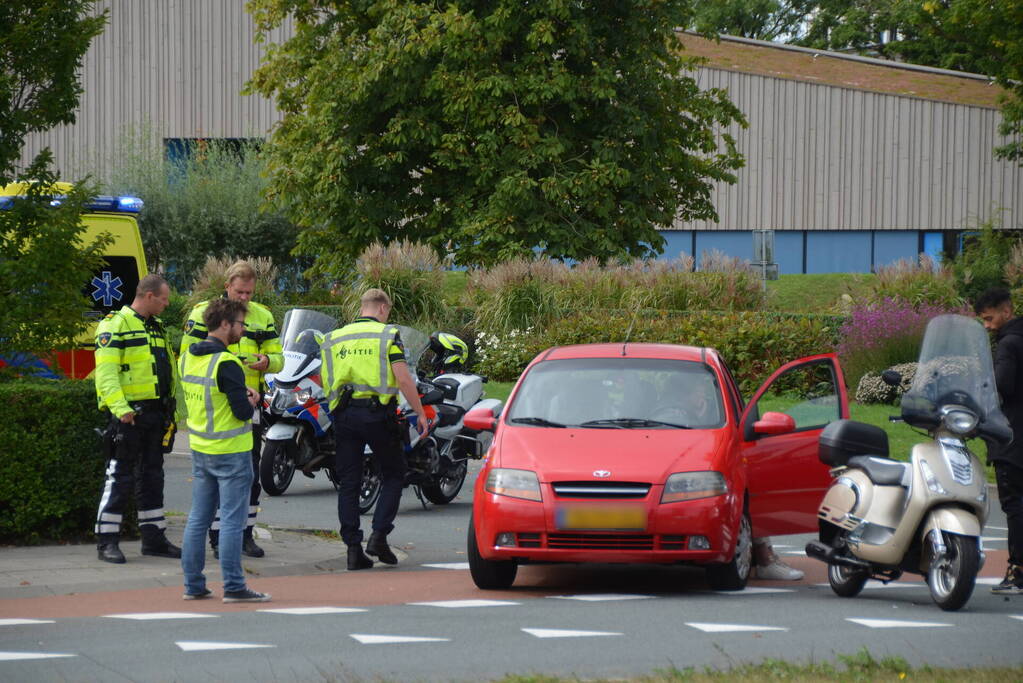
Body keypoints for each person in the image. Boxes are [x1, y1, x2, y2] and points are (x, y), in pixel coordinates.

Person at [180, 261, 283, 558]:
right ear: (227, 287)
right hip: (216, 405)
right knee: (217, 483)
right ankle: (218, 538)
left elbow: (279, 357)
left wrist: (267, 362)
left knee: (250, 475)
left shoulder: (262, 316)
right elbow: (187, 356)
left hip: (249, 403)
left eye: (249, 293)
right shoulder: (204, 313)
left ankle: (245, 535)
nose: (245, 298)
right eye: (239, 292)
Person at [321, 288, 429, 570]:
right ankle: (379, 536)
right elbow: (403, 379)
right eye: (388, 312)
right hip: (377, 415)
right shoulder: (387, 336)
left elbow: (325, 379)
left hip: (344, 415)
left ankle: (353, 549)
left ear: (362, 307)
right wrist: (420, 412)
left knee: (349, 482)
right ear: (382, 308)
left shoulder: (335, 338)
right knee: (394, 473)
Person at [180, 297, 271, 603]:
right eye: (240, 324)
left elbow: (212, 393)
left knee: (198, 519)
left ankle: (193, 585)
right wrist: (252, 399)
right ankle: (233, 586)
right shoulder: (227, 363)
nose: (243, 330)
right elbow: (242, 412)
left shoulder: (188, 357)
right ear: (224, 324)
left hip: (200, 448)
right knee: (232, 521)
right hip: (232, 451)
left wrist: (238, 392)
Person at [93, 274, 181, 564]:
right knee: (119, 477)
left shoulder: (157, 328)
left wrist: (172, 411)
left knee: (153, 478)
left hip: (156, 416)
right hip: (128, 417)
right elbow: (106, 374)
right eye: (164, 299)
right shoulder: (114, 325)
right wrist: (121, 409)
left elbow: (168, 372)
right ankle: (106, 542)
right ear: (149, 296)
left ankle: (154, 540)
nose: (167, 304)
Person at [975, 287, 1023, 594]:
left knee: (1015, 506)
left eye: (990, 319)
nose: (987, 326)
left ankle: (1018, 572)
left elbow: (1001, 386)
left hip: (1013, 436)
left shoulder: (1008, 344)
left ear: (1006, 311)